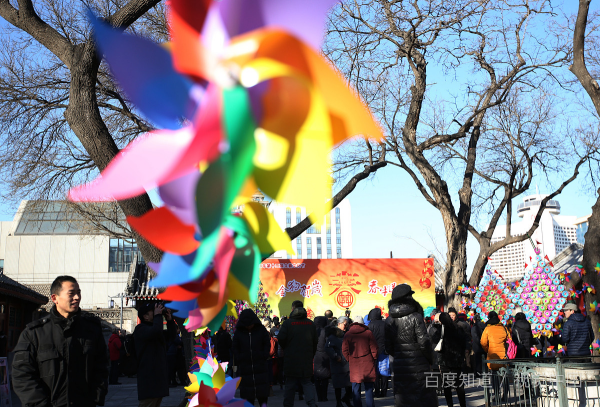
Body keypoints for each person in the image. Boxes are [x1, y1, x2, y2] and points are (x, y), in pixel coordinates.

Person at [11, 275, 108, 407]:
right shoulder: (35, 333)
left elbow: (102, 366)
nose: (77, 297)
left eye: (78, 293)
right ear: (54, 298)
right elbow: (22, 374)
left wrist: (95, 397)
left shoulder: (91, 330)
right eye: (71, 293)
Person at [385, 284, 437, 407]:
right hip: (419, 366)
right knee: (423, 398)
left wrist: (399, 354)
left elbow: (388, 347)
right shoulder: (416, 317)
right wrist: (430, 359)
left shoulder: (388, 320)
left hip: (399, 366)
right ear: (408, 297)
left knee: (404, 399)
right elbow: (424, 343)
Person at [134, 302, 176, 407]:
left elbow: (171, 337)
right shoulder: (140, 329)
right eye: (152, 311)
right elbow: (156, 331)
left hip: (158, 377)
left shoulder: (154, 329)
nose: (156, 312)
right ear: (145, 317)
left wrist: (169, 321)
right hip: (149, 378)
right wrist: (158, 316)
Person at [277, 300, 318, 407]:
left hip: (291, 359)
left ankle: (288, 404)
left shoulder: (287, 323)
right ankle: (311, 403)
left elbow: (281, 339)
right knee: (307, 382)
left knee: (290, 383)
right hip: (306, 358)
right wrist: (311, 354)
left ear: (292, 309)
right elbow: (315, 342)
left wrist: (287, 348)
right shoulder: (310, 324)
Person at [232, 309, 271, 406]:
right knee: (248, 400)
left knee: (263, 398)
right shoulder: (239, 333)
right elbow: (235, 347)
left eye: (250, 324)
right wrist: (239, 357)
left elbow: (267, 343)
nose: (249, 326)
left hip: (260, 368)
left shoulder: (261, 330)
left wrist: (264, 355)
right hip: (245, 370)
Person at [343, 315, 377, 407]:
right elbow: (373, 348)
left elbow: (344, 350)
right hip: (367, 363)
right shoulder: (368, 333)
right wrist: (373, 358)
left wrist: (349, 359)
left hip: (354, 364)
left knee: (355, 388)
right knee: (369, 388)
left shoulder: (348, 334)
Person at [438, 312, 466, 407]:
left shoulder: (441, 330)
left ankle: (450, 405)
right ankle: (463, 405)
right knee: (459, 384)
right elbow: (464, 344)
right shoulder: (458, 328)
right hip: (457, 360)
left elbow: (435, 343)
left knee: (447, 384)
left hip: (445, 361)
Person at [480, 311, 508, 402]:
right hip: (504, 357)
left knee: (495, 377)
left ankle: (496, 396)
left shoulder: (487, 329)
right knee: (504, 377)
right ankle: (505, 396)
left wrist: (488, 350)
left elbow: (483, 342)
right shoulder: (504, 328)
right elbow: (509, 341)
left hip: (493, 357)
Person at [326, 317, 352, 407]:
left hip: (347, 363)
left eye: (347, 324)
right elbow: (328, 348)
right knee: (338, 385)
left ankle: (346, 398)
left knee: (349, 384)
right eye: (345, 324)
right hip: (337, 363)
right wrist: (335, 356)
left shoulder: (347, 334)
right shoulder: (333, 336)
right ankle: (338, 402)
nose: (346, 326)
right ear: (339, 324)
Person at [367, 308, 389, 398]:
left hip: (373, 351)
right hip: (384, 351)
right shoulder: (385, 324)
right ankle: (384, 391)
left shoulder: (370, 325)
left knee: (375, 372)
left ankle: (376, 391)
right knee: (384, 372)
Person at [313, 316, 331, 402]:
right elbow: (328, 344)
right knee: (325, 377)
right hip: (325, 355)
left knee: (317, 376)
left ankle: (319, 396)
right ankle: (324, 396)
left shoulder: (313, 331)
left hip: (315, 355)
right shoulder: (325, 331)